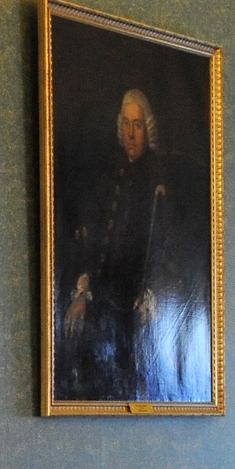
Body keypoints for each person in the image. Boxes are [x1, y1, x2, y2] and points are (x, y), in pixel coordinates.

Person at [58, 88, 207, 401]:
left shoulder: (160, 177)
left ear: (147, 128)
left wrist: (151, 290)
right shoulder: (108, 174)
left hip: (138, 299)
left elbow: (168, 243)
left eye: (137, 125)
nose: (130, 133)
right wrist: (83, 290)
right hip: (101, 293)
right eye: (125, 124)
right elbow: (90, 233)